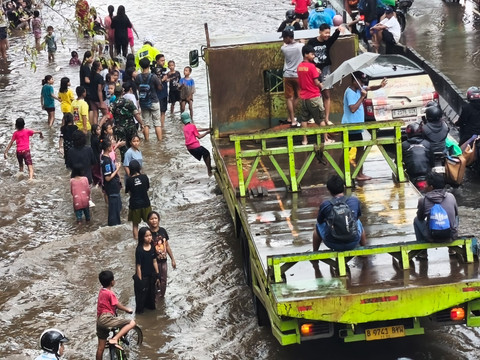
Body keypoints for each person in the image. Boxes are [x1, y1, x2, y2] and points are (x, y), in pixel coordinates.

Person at [341, 71, 387, 181]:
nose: (362, 85)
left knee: (360, 150)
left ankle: (359, 173)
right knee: (345, 151)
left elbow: (370, 87)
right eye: (361, 82)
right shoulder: (350, 92)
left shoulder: (359, 88)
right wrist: (362, 97)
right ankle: (342, 173)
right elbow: (352, 109)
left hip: (357, 127)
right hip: (350, 127)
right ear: (354, 81)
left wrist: (380, 86)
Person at [312, 174, 366, 252]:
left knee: (318, 225)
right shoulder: (354, 200)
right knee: (358, 222)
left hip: (332, 243)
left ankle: (315, 253)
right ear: (343, 186)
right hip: (353, 241)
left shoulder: (325, 204)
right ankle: (364, 251)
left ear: (329, 190)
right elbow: (357, 217)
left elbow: (320, 221)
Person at [95, 270, 136, 360]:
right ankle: (115, 338)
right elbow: (117, 304)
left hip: (100, 320)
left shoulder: (102, 291)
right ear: (112, 282)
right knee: (132, 323)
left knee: (100, 348)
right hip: (107, 318)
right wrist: (127, 309)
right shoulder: (110, 293)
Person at [413, 172, 459, 250]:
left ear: (431, 187)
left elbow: (420, 218)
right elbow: (456, 214)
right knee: (456, 216)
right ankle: (452, 250)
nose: (424, 186)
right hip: (450, 236)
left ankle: (422, 253)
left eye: (426, 184)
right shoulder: (451, 196)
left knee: (416, 220)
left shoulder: (423, 200)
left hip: (433, 237)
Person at [296, 45, 331, 145]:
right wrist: (321, 85)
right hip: (314, 96)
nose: (313, 56)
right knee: (321, 119)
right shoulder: (312, 67)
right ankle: (326, 139)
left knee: (304, 119)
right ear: (306, 54)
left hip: (303, 97)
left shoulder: (299, 67)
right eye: (312, 54)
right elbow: (316, 82)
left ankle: (304, 140)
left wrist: (315, 71)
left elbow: (306, 77)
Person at [307, 24, 341, 125]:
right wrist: (314, 67)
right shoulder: (312, 42)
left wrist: (338, 30)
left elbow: (334, 37)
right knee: (314, 94)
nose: (327, 35)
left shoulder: (328, 41)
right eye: (325, 33)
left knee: (326, 94)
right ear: (320, 32)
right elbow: (306, 55)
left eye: (328, 33)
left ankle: (326, 118)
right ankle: (314, 117)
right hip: (314, 70)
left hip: (326, 69)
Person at [111, 84, 145, 159]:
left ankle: (125, 164)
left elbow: (110, 118)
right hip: (130, 127)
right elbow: (136, 114)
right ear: (122, 91)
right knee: (134, 145)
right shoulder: (128, 102)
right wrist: (142, 124)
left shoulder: (112, 105)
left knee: (123, 149)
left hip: (119, 129)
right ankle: (134, 164)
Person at [148, 211, 176, 299]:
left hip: (163, 261)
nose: (154, 220)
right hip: (153, 262)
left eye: (155, 218)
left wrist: (172, 259)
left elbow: (167, 246)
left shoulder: (163, 231)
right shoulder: (148, 233)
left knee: (163, 280)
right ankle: (154, 297)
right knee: (155, 280)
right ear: (148, 221)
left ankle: (161, 297)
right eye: (151, 219)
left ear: (159, 220)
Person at [280, 29, 304, 126]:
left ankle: (291, 119)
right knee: (298, 96)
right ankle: (292, 117)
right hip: (298, 75)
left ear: (288, 38)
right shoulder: (301, 46)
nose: (283, 40)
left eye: (284, 38)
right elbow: (302, 44)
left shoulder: (284, 49)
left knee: (289, 97)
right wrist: (302, 42)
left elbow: (285, 45)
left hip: (287, 75)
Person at [134, 227, 161, 313]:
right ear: (142, 237)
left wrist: (157, 274)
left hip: (151, 276)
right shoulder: (139, 250)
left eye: (150, 235)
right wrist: (140, 281)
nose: (149, 237)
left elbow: (154, 261)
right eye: (146, 236)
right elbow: (138, 266)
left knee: (151, 296)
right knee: (141, 298)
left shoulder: (152, 247)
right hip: (143, 277)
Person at [135, 57, 162, 141]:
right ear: (149, 66)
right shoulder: (153, 77)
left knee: (146, 123)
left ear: (140, 66)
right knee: (157, 123)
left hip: (143, 102)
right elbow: (160, 87)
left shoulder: (138, 77)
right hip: (154, 100)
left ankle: (147, 141)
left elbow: (138, 88)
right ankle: (160, 141)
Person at [181, 112, 213, 177]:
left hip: (189, 148)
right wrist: (207, 132)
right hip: (195, 146)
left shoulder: (184, 128)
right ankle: (209, 171)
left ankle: (209, 169)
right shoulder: (192, 126)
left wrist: (206, 128)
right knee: (207, 153)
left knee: (204, 153)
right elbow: (199, 137)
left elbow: (196, 130)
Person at [126, 160, 151, 239]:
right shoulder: (144, 177)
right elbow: (147, 188)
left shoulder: (129, 180)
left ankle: (137, 242)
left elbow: (128, 192)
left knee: (135, 225)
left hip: (135, 205)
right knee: (150, 223)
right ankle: (154, 238)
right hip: (145, 203)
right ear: (139, 168)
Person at [101, 139, 122, 225]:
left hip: (113, 187)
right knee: (114, 210)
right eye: (111, 146)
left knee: (117, 208)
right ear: (107, 148)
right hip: (112, 187)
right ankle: (113, 225)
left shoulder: (105, 157)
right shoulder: (106, 161)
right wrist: (117, 169)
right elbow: (108, 178)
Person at [89, 60, 108, 125]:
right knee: (106, 114)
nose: (101, 66)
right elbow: (99, 90)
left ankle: (95, 128)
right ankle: (99, 126)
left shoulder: (91, 75)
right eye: (100, 65)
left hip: (91, 97)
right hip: (98, 98)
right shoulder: (99, 77)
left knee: (95, 114)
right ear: (98, 67)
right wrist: (102, 102)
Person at [153, 54, 169, 130]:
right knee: (159, 112)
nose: (163, 62)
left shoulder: (163, 70)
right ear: (157, 61)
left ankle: (162, 127)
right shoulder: (156, 71)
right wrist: (163, 79)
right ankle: (159, 127)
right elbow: (155, 82)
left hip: (164, 93)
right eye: (161, 60)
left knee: (163, 111)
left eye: (164, 60)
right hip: (158, 94)